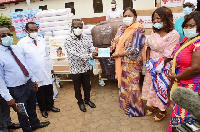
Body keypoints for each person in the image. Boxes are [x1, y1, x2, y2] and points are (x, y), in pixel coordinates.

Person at [0, 26, 50, 132]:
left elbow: (25, 65)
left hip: (28, 85)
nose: (7, 37)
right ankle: (27, 129)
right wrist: (8, 97)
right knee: (22, 113)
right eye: (3, 35)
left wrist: (33, 80)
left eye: (9, 34)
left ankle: (35, 124)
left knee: (32, 108)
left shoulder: (16, 48)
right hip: (16, 90)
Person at [142, 7, 180, 121]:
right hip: (152, 65)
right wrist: (148, 61)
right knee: (151, 86)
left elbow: (169, 55)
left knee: (162, 87)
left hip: (164, 66)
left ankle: (162, 110)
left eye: (158, 18)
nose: (155, 21)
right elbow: (148, 46)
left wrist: (157, 65)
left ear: (166, 19)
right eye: (154, 19)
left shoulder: (173, 35)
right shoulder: (154, 32)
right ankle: (153, 105)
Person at [17, 22, 60, 118]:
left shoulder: (41, 40)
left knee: (49, 90)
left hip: (46, 71)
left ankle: (50, 106)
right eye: (31, 30)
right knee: (40, 93)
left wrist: (51, 68)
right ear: (26, 31)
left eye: (36, 30)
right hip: (34, 73)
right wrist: (29, 76)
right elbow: (22, 61)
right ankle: (43, 109)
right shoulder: (22, 44)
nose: (34, 32)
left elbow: (47, 56)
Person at [167, 11, 200, 132]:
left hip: (193, 87)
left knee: (186, 120)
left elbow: (196, 68)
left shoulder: (198, 43)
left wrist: (176, 77)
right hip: (182, 84)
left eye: (192, 26)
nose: (188, 28)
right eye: (186, 26)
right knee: (178, 117)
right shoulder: (187, 39)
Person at [110, 7, 145, 117]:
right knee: (124, 85)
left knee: (132, 86)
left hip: (132, 63)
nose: (127, 18)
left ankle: (136, 111)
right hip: (121, 62)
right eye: (125, 16)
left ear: (135, 17)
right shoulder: (121, 28)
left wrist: (119, 54)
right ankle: (126, 106)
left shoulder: (139, 29)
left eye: (129, 16)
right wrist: (113, 46)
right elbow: (116, 40)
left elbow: (136, 49)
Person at [64, 19, 97, 112]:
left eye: (80, 27)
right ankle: (80, 102)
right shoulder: (68, 40)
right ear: (72, 28)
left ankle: (87, 100)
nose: (78, 29)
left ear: (83, 27)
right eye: (75, 27)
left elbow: (90, 47)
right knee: (77, 87)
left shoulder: (86, 37)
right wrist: (90, 55)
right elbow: (75, 55)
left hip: (85, 67)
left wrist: (95, 51)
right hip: (75, 69)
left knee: (87, 85)